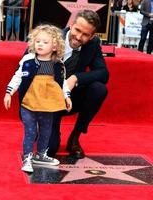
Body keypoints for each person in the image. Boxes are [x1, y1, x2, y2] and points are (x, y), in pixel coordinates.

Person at [3, 24, 72, 173]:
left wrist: (67, 96)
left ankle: (40, 155)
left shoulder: (58, 64)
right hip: (29, 101)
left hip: (48, 103)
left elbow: (63, 82)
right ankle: (27, 157)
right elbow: (18, 76)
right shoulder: (27, 59)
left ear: (54, 46)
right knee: (30, 131)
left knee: (46, 130)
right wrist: (9, 92)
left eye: (45, 42)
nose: (40, 44)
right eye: (38, 41)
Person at [47, 10, 109, 159]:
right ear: (71, 25)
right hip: (46, 100)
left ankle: (75, 137)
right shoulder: (49, 38)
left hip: (71, 98)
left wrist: (76, 78)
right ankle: (42, 128)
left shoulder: (93, 44)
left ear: (92, 36)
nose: (79, 37)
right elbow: (23, 69)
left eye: (85, 34)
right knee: (51, 149)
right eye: (77, 30)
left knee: (99, 89)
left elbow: (103, 73)